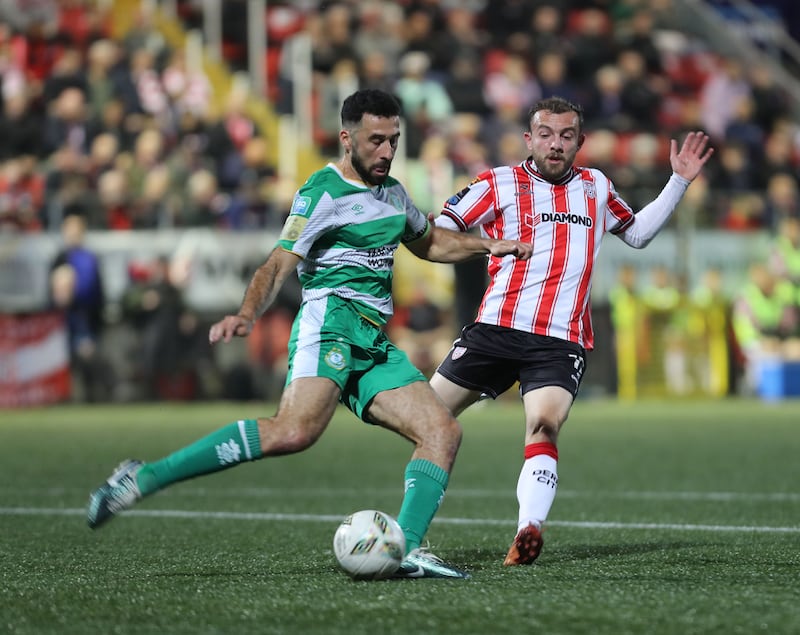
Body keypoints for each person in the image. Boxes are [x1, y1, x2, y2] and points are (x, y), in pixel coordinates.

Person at [86, 89, 532, 579]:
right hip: (331, 326)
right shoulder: (322, 191)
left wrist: (488, 245)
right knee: (293, 432)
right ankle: (141, 478)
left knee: (441, 431)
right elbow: (279, 261)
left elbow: (428, 243)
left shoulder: (394, 194)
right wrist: (247, 313)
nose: (386, 151)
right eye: (375, 140)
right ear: (347, 138)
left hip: (371, 341)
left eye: (394, 141)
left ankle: (404, 547)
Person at [428, 96, 713, 566]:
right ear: (529, 138)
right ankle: (408, 530)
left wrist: (679, 180)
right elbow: (440, 229)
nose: (555, 144)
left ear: (580, 141)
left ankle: (529, 529)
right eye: (545, 134)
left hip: (560, 339)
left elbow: (637, 234)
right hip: (494, 328)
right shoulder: (498, 183)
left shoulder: (596, 187)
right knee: (426, 418)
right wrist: (487, 244)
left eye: (565, 136)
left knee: (544, 425)